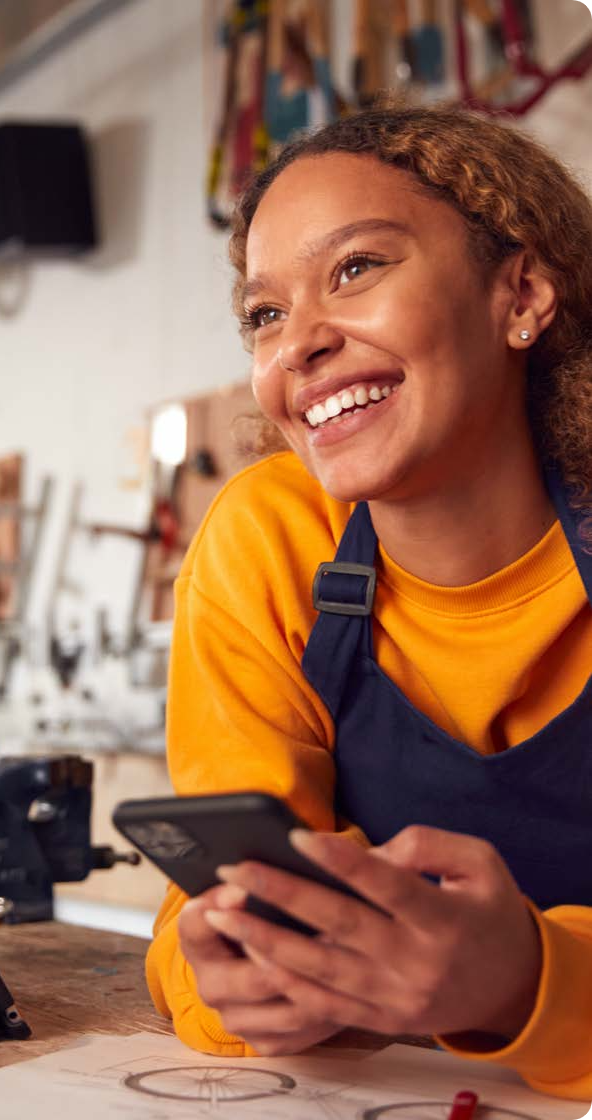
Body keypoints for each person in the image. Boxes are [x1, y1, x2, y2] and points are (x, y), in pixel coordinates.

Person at [145, 102, 592, 1101]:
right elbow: (198, 919)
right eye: (264, 313)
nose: (296, 344)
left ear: (519, 292)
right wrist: (235, 982)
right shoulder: (266, 539)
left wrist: (525, 979)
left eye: (355, 268)